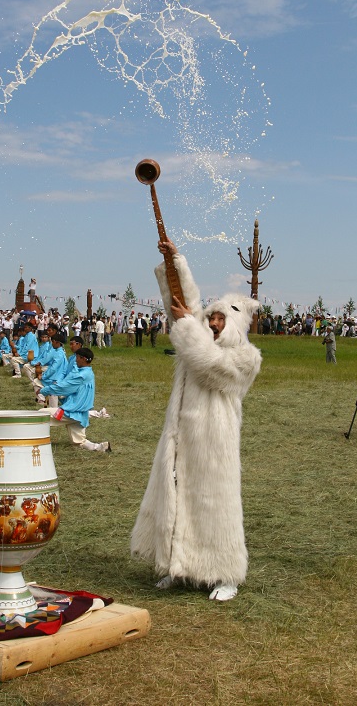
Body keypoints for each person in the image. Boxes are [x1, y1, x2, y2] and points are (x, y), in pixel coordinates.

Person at [131, 238, 262, 602]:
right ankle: (177, 564)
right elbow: (185, 306)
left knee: (214, 502)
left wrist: (190, 326)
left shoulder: (247, 358)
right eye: (212, 317)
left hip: (213, 443)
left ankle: (225, 573)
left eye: (222, 318)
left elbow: (208, 366)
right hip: (179, 435)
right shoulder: (196, 336)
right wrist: (174, 261)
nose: (215, 323)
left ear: (236, 323)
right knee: (175, 494)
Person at [38, 347, 110, 452]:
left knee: (41, 414)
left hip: (70, 412)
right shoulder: (86, 373)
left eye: (77, 357)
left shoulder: (82, 376)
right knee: (79, 442)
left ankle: (34, 441)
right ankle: (101, 447)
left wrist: (44, 391)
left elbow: (64, 387)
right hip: (80, 413)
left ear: (83, 358)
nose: (76, 360)